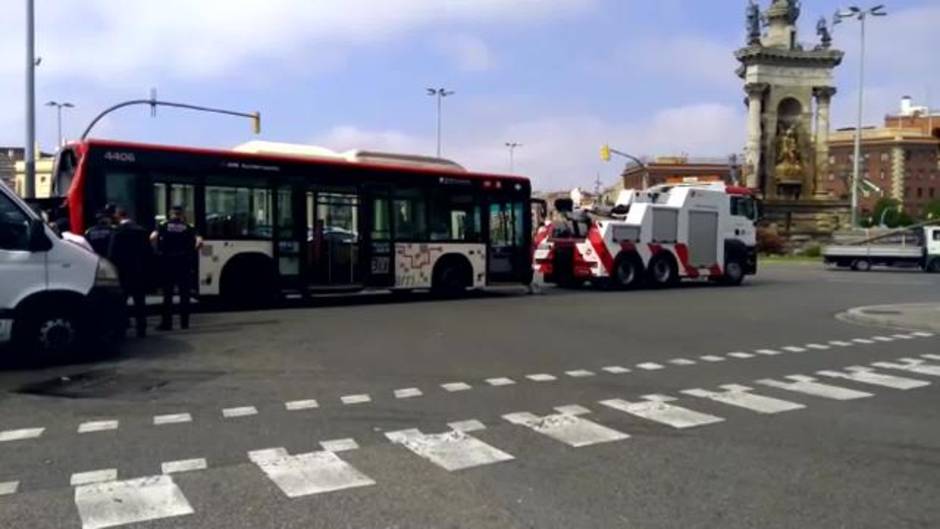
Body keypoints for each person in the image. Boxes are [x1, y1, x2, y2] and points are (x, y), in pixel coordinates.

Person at [151, 205, 199, 331]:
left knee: (168, 295)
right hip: (184, 263)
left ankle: (167, 324)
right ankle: (184, 323)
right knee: (185, 294)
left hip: (168, 263)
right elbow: (199, 242)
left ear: (170, 213)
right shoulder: (189, 227)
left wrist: (158, 252)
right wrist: (190, 254)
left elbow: (152, 238)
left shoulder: (163, 225)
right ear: (182, 214)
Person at [110, 207, 151, 337]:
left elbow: (112, 254)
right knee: (140, 301)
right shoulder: (141, 231)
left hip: (123, 272)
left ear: (118, 216)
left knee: (122, 302)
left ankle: (121, 329)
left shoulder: (117, 232)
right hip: (139, 271)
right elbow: (148, 253)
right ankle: (142, 329)